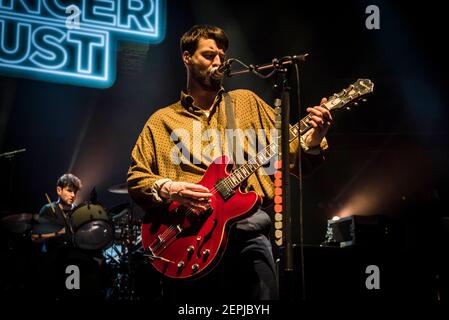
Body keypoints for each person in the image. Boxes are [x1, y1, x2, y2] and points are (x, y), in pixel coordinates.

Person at [127, 25, 332, 300]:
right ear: (187, 57)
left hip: (249, 229)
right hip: (190, 240)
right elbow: (137, 178)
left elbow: (293, 156)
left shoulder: (247, 103)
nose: (218, 62)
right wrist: (170, 188)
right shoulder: (162, 121)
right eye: (209, 55)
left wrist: (314, 139)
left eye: (221, 57)